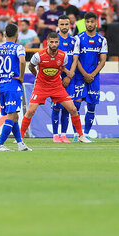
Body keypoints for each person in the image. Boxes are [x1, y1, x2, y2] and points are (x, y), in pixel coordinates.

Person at [20, 32, 91, 143]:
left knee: (72, 109)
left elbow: (61, 67)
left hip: (57, 86)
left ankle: (81, 135)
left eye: (56, 42)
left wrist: (67, 72)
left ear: (58, 42)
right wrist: (37, 75)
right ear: (47, 42)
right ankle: (20, 137)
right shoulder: (39, 55)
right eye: (51, 42)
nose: (54, 44)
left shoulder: (63, 56)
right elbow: (30, 66)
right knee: (30, 111)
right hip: (41, 86)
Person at [0, 23, 31, 152]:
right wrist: (21, 77)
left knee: (14, 115)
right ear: (17, 35)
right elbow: (22, 61)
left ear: (4, 35)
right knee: (12, 116)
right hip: (13, 85)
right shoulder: (18, 48)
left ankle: (20, 144)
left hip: (2, 85)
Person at [71, 12, 108, 141]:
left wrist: (92, 74)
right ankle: (76, 134)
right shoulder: (78, 38)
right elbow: (76, 59)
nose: (90, 24)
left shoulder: (102, 40)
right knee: (76, 106)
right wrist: (85, 74)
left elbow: (103, 60)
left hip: (94, 77)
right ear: (85, 23)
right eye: (88, 22)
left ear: (96, 23)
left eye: (92, 22)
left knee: (91, 106)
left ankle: (86, 134)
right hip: (79, 76)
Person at [51, 15, 78, 143]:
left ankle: (63, 134)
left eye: (66, 24)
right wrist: (67, 73)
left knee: (68, 107)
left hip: (70, 79)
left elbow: (75, 59)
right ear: (58, 25)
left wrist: (70, 74)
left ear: (70, 25)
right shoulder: (54, 41)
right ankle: (55, 135)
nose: (64, 27)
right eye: (61, 24)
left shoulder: (74, 41)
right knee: (56, 107)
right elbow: (54, 59)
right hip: (56, 79)